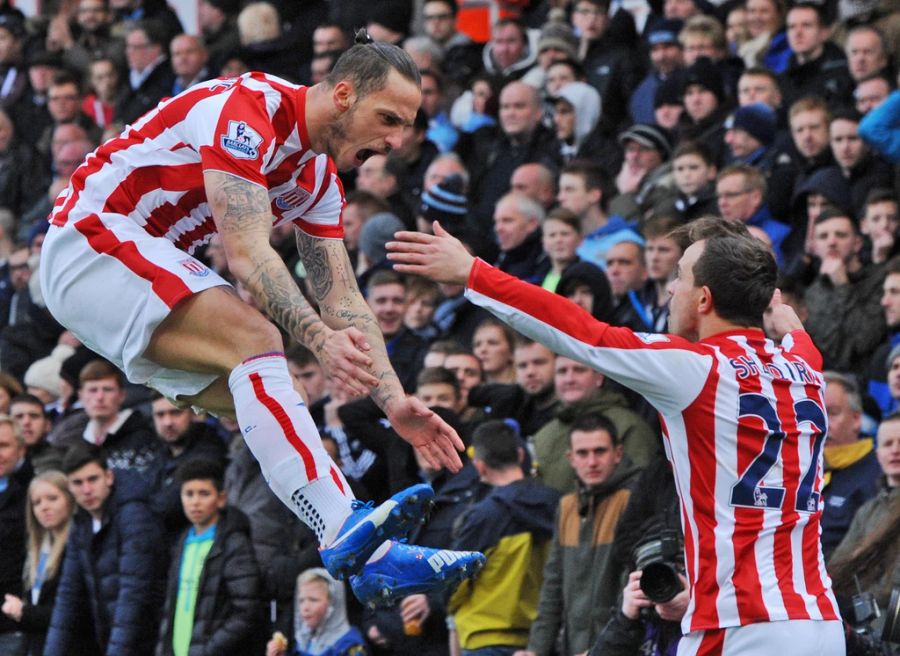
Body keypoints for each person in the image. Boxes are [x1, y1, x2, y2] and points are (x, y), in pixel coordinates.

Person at [39, 33, 482, 605]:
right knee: (257, 338)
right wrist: (320, 340)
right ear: (343, 95)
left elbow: (344, 299)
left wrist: (393, 399)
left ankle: (368, 558)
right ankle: (349, 535)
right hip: (90, 240)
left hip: (127, 275)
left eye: (407, 125)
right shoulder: (248, 111)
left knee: (270, 398)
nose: (397, 141)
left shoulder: (319, 180)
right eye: (389, 119)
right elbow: (247, 256)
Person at [388, 217, 844, 655]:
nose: (669, 289)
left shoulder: (696, 367)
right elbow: (804, 349)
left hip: (740, 626)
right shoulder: (804, 371)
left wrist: (474, 273)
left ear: (704, 299)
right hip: (820, 621)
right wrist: (791, 326)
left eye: (679, 277)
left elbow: (583, 334)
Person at [45, 445, 166, 655]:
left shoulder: (134, 515)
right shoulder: (81, 523)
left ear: (108, 477)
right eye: (78, 483)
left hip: (152, 639)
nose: (87, 490)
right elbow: (68, 594)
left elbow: (133, 591)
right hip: (115, 637)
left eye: (93, 479)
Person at [156, 458, 264, 655]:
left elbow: (246, 610)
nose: (195, 502)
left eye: (204, 494)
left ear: (221, 499)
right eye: (189, 494)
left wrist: (208, 650)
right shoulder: (182, 541)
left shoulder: (234, 543)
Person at [0, 470, 81, 656]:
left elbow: (76, 613)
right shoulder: (37, 551)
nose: (44, 507)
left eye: (52, 498)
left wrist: (24, 613)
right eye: (37, 503)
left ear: (69, 500)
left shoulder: (77, 548)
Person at [266, 568, 367, 656]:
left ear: (333, 603)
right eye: (301, 600)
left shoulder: (350, 646)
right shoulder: (305, 640)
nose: (305, 607)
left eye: (313, 600)